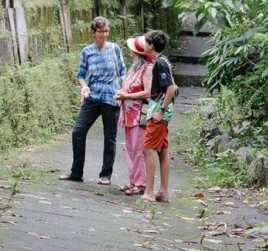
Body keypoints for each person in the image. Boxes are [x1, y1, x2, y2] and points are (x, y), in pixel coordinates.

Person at [61, 15, 126, 185]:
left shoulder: (115, 49)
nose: (104, 35)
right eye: (100, 32)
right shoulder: (87, 51)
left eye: (106, 31)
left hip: (112, 97)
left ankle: (105, 175)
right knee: (78, 131)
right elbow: (81, 75)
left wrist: (123, 90)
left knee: (110, 137)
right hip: (93, 96)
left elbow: (123, 72)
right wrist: (84, 86)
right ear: (93, 32)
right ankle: (76, 173)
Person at [140, 29, 179, 204]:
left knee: (148, 149)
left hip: (158, 112)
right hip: (160, 111)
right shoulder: (163, 62)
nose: (143, 44)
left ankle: (149, 192)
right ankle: (163, 191)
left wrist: (161, 111)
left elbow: (171, 88)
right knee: (162, 151)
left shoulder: (161, 63)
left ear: (151, 45)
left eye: (146, 41)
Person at [114, 34, 153, 196]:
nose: (130, 52)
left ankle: (141, 183)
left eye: (132, 50)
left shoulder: (148, 68)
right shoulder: (134, 68)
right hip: (129, 114)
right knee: (130, 149)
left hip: (139, 115)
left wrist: (126, 97)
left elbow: (148, 92)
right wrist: (122, 94)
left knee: (138, 150)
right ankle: (134, 181)